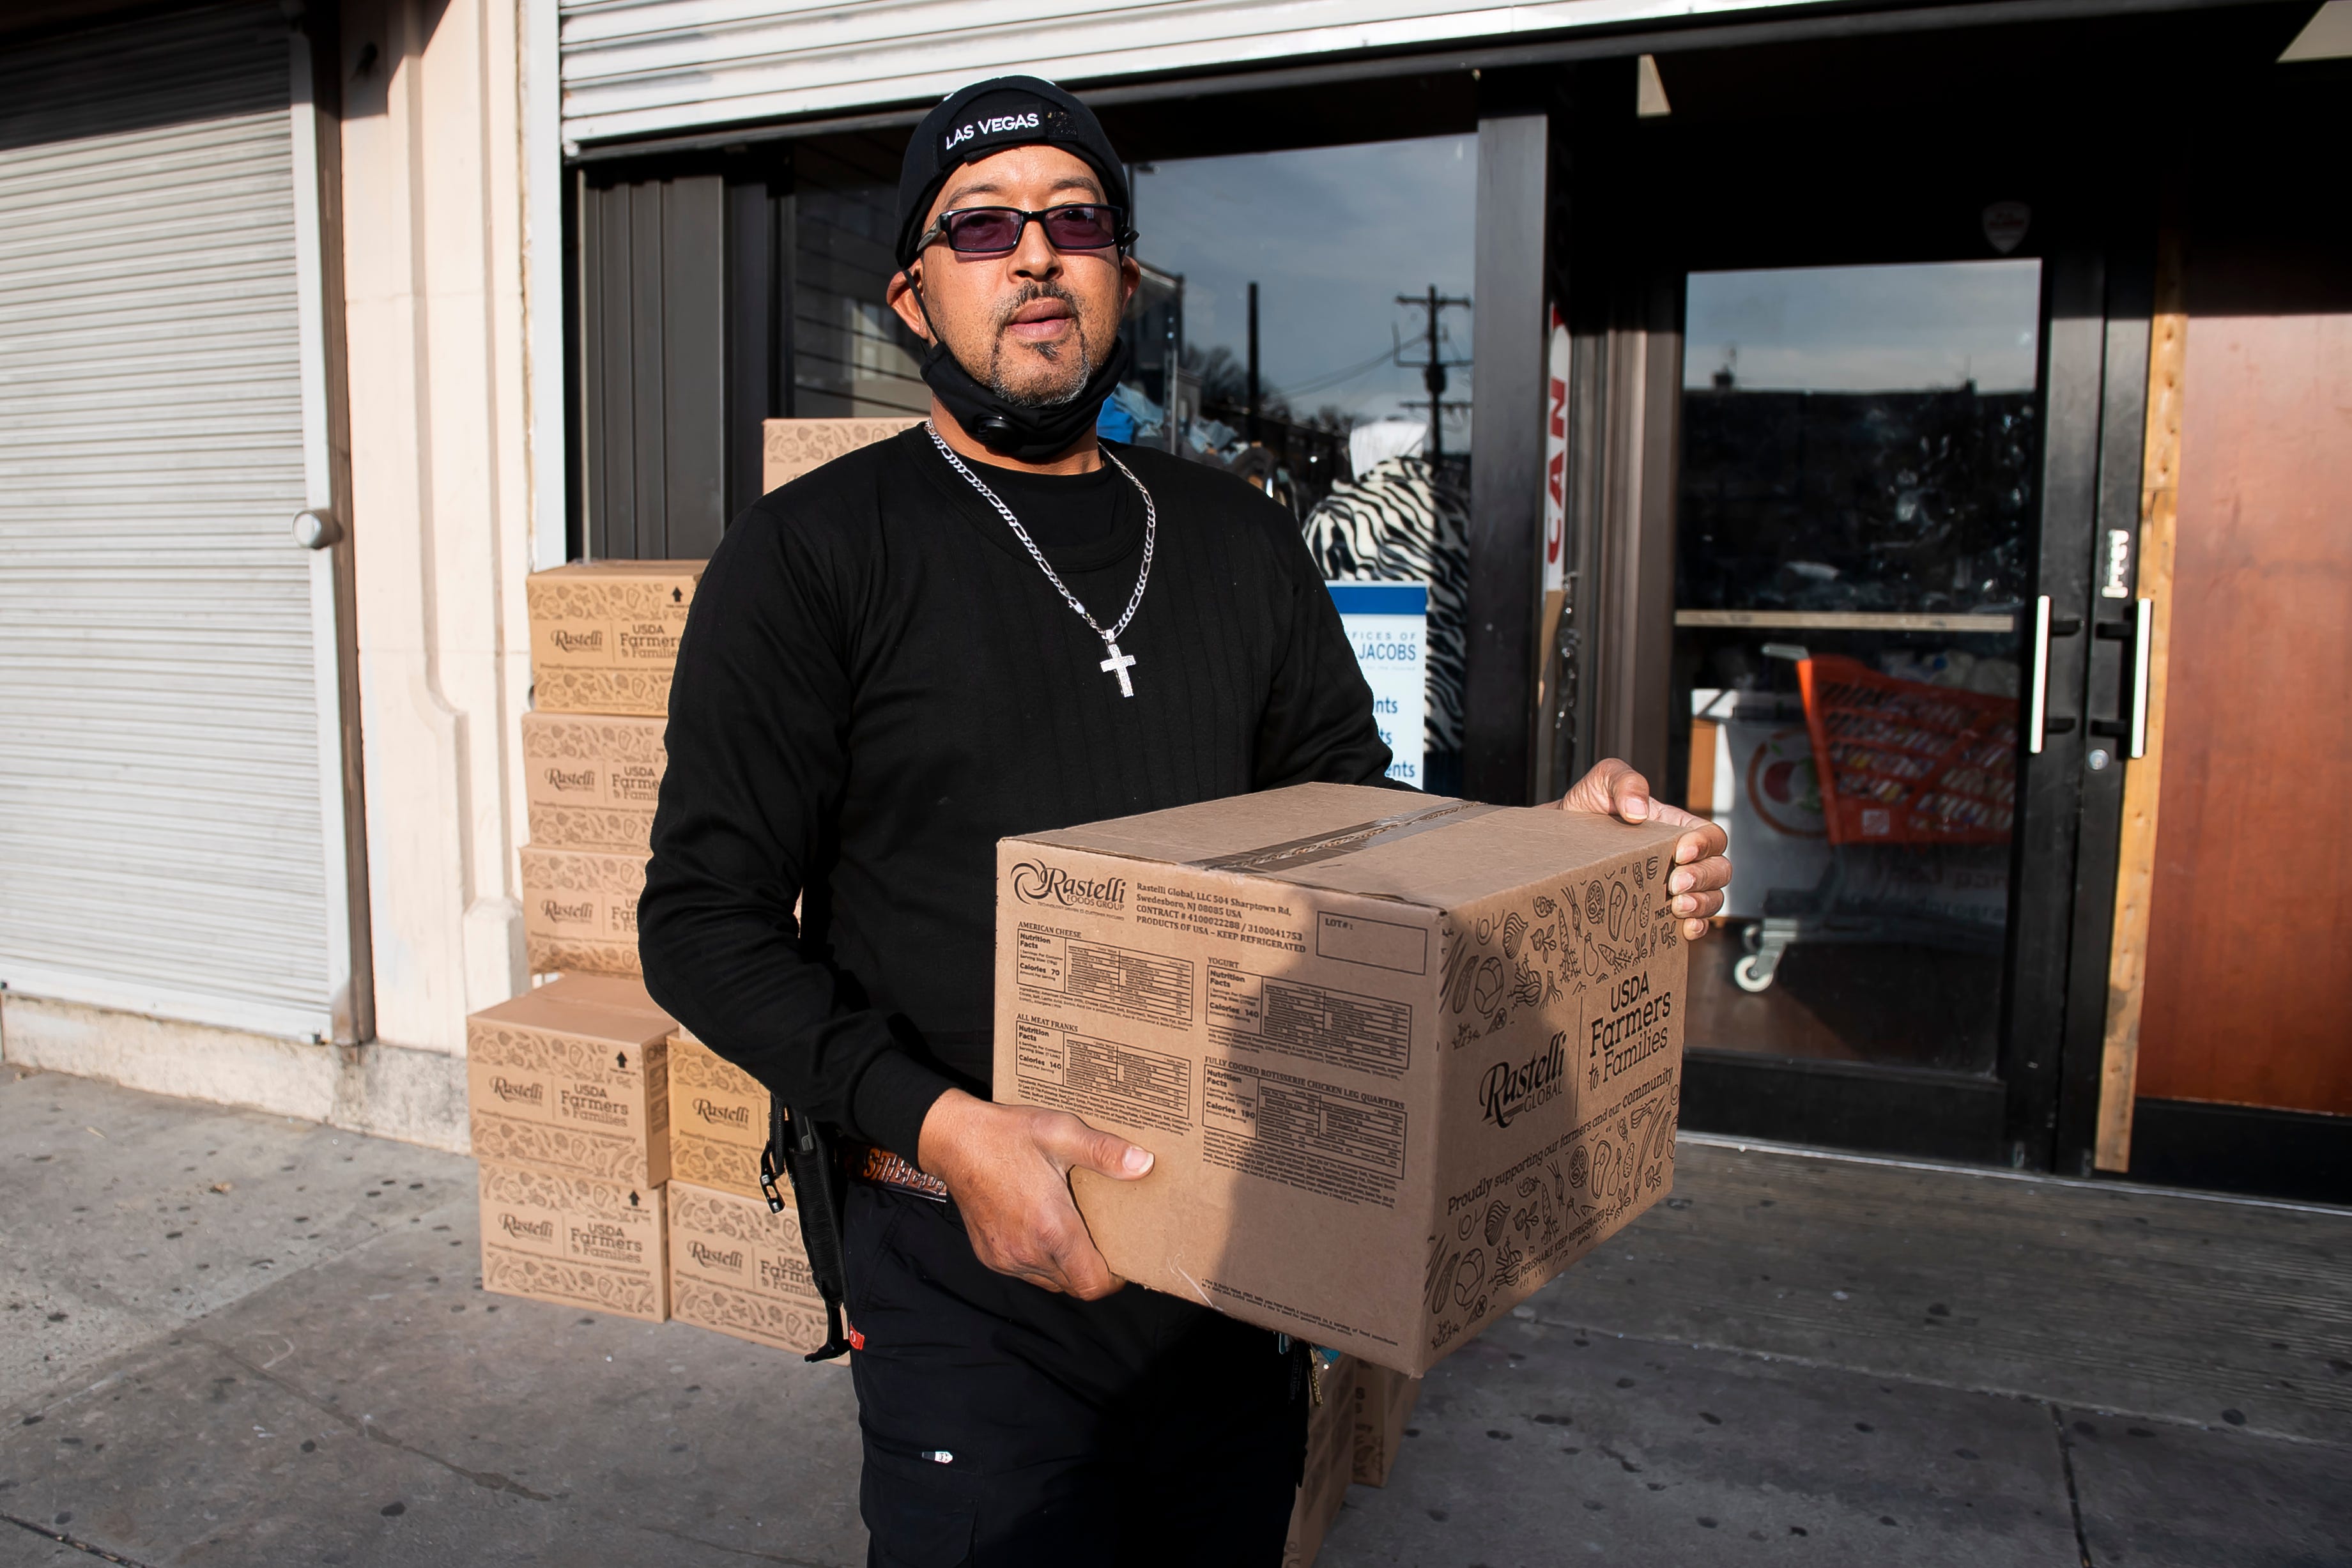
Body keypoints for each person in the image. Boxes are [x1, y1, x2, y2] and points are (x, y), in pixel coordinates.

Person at [637, 75, 1731, 1568]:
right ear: (908, 295)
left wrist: (1551, 852)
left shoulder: (1232, 536)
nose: (1034, 252)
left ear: (1122, 273)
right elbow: (696, 925)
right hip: (968, 1260)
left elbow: (1357, 839)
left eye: (1072, 216)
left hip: (1241, 1239)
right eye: (981, 226)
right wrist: (947, 1130)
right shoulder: (813, 554)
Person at [1302, 419, 1472, 794]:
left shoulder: (1336, 517)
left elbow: (1304, 617)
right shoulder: (1455, 511)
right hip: (1449, 715)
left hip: (1370, 724)